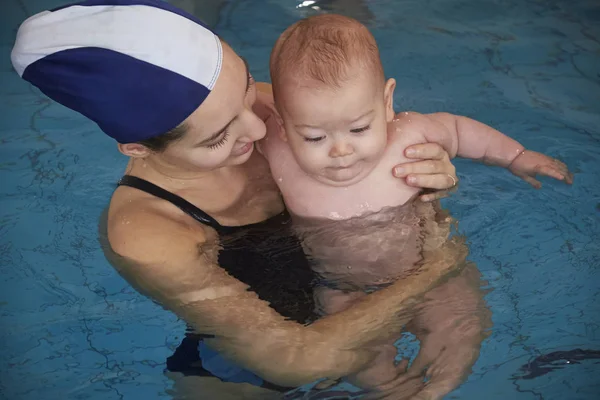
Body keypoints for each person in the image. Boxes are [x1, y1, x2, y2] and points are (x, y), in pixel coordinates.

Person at [10, 0, 461, 397]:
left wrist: (426, 178)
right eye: (220, 137)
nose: (263, 128)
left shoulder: (270, 111)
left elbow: (383, 147)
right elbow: (296, 360)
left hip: (368, 296)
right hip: (247, 381)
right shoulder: (149, 233)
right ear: (138, 148)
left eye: (247, 87)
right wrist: (434, 271)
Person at [259, 14, 573, 398]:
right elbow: (240, 104)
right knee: (356, 357)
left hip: (428, 269)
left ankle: (439, 386)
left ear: (387, 101)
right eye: (313, 136)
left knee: (461, 326)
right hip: (345, 290)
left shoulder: (408, 136)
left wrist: (516, 156)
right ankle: (393, 390)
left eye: (359, 129)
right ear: (283, 122)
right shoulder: (276, 148)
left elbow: (459, 132)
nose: (340, 150)